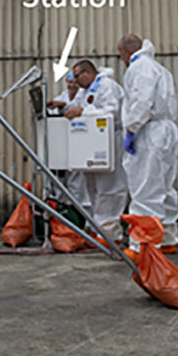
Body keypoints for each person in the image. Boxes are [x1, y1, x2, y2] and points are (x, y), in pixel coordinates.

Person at [117, 34, 178, 255]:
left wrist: (132, 129)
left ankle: (143, 245)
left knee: (145, 188)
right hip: (167, 129)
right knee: (164, 185)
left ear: (126, 51)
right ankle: (168, 237)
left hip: (149, 131)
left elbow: (141, 101)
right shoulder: (159, 69)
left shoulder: (139, 68)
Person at [60, 59, 128, 244]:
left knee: (109, 187)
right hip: (91, 142)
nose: (75, 80)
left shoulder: (107, 86)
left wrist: (82, 111)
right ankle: (97, 227)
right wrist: (62, 106)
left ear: (88, 73)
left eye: (77, 76)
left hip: (108, 140)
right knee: (93, 187)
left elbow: (111, 111)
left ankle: (111, 234)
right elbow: (78, 106)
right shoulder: (86, 91)